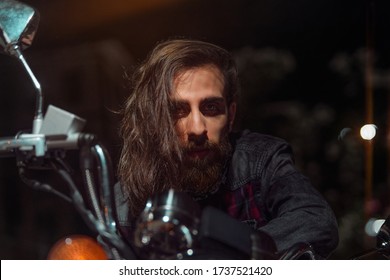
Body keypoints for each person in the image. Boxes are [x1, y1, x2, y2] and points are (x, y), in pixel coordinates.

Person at [114, 38, 339, 259]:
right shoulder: (125, 201)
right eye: (177, 110)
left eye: (211, 108)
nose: (197, 128)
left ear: (230, 116)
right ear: (154, 119)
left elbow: (316, 220)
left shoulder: (260, 160)